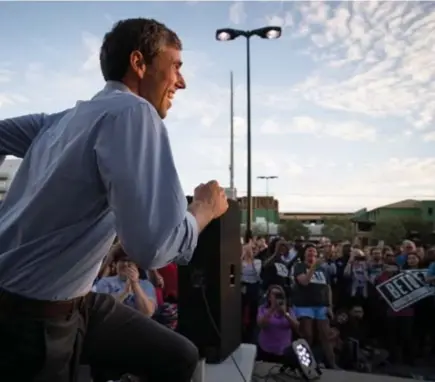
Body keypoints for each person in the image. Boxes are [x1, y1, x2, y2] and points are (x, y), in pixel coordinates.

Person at [0, 18, 228, 382]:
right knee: (180, 361)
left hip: (74, 301)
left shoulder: (62, 121)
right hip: (34, 321)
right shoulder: (135, 111)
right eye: (176, 67)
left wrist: (114, 241)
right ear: (139, 64)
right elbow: (156, 247)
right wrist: (202, 209)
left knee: (179, 356)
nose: (181, 82)